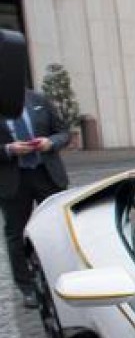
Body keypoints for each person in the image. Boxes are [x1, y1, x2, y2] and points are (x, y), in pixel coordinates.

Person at [1, 89, 70, 308]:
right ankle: (28, 288)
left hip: (46, 174)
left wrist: (51, 143)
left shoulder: (38, 99)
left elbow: (63, 132)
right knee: (16, 235)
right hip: (13, 180)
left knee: (59, 228)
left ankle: (65, 277)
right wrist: (8, 150)